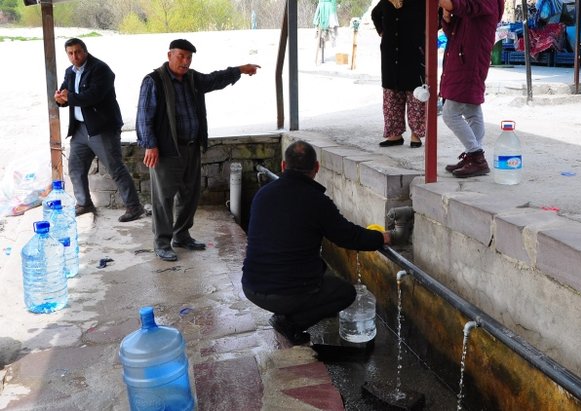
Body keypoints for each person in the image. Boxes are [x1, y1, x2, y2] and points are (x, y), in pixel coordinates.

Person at [242, 140, 393, 345]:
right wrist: (380, 238)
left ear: (283, 166)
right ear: (317, 168)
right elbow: (347, 236)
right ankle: (290, 323)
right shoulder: (317, 202)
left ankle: (287, 311)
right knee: (344, 293)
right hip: (285, 293)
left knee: (314, 271)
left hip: (251, 287)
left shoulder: (263, 194)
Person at [135, 39, 260, 262]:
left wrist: (240, 70)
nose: (185, 62)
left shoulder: (192, 79)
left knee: (190, 195)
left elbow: (215, 79)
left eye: (189, 58)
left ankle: (181, 235)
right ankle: (162, 243)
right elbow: (144, 116)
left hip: (191, 147)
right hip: (166, 151)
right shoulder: (154, 81)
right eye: (181, 56)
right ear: (169, 55)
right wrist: (150, 145)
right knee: (163, 199)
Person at [54, 38, 145, 222]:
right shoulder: (69, 72)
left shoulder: (101, 69)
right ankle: (84, 203)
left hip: (102, 128)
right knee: (75, 168)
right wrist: (59, 98)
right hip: (80, 129)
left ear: (85, 51)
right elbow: (66, 94)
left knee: (115, 168)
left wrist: (69, 98)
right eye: (70, 53)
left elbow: (93, 96)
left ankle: (134, 207)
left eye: (78, 52)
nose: (75, 56)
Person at [438, 0, 503, 178]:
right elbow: (452, 32)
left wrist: (447, 6)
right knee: (472, 111)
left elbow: (461, 6)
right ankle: (472, 156)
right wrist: (446, 16)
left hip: (470, 63)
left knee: (450, 114)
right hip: (463, 60)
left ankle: (476, 157)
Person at [371, 0, 427, 148]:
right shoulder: (386, 2)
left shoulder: (421, 2)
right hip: (391, 55)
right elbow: (375, 14)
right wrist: (383, 32)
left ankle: (416, 134)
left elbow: (437, 16)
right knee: (391, 94)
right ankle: (394, 135)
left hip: (414, 53)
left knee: (416, 94)